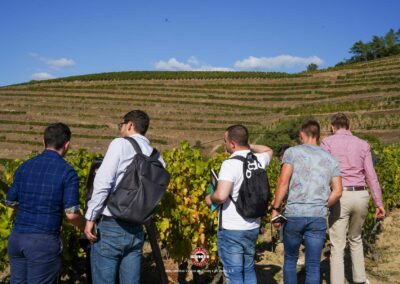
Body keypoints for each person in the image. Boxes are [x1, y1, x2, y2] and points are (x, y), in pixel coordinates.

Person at [84, 110, 165, 284]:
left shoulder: (120, 144)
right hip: (137, 229)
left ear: (130, 125)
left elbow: (103, 183)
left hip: (112, 224)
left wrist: (90, 217)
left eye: (121, 124)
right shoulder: (157, 157)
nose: (120, 128)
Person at [6, 123, 85, 284]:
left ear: (44, 142)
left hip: (17, 239)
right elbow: (71, 214)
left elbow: (10, 201)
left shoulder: (25, 166)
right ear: (67, 145)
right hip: (43, 242)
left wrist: (30, 207)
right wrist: (85, 226)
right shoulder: (67, 172)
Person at [271, 119, 342, 284]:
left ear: (302, 134)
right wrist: (322, 205)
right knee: (313, 264)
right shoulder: (331, 158)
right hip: (317, 217)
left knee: (290, 260)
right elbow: (338, 192)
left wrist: (275, 208)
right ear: (318, 135)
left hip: (294, 215)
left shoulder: (292, 152)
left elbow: (283, 182)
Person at [321, 113, 385, 284]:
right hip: (361, 195)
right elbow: (371, 176)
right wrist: (379, 203)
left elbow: (323, 172)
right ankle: (360, 279)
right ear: (349, 126)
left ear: (333, 127)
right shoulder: (363, 144)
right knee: (356, 238)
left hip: (340, 195)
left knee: (337, 244)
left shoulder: (327, 142)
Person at [205, 124, 273, 284]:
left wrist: (210, 198)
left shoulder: (230, 164)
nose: (224, 144)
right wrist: (250, 146)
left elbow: (221, 196)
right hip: (253, 226)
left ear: (233, 144)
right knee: (248, 268)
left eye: (225, 141)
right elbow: (269, 150)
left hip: (232, 230)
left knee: (234, 274)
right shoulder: (258, 160)